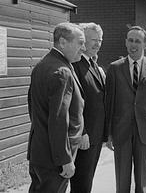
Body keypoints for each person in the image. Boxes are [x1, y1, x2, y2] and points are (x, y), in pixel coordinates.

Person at [27, 22, 86, 193]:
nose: (83, 48)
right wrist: (64, 159)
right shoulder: (62, 71)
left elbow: (33, 108)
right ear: (62, 42)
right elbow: (58, 119)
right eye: (80, 43)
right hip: (55, 159)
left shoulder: (42, 65)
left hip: (40, 152)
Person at [105, 26, 146, 193]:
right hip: (121, 131)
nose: (133, 44)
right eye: (130, 40)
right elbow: (110, 103)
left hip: (145, 131)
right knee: (122, 180)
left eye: (138, 41)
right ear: (125, 42)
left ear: (145, 44)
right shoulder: (114, 68)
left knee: (142, 180)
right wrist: (108, 134)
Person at [70, 23, 107, 193]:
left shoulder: (95, 65)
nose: (97, 44)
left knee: (88, 179)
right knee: (81, 183)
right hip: (84, 137)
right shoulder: (76, 65)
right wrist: (82, 131)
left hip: (96, 135)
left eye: (99, 40)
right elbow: (74, 102)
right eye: (93, 40)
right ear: (83, 41)